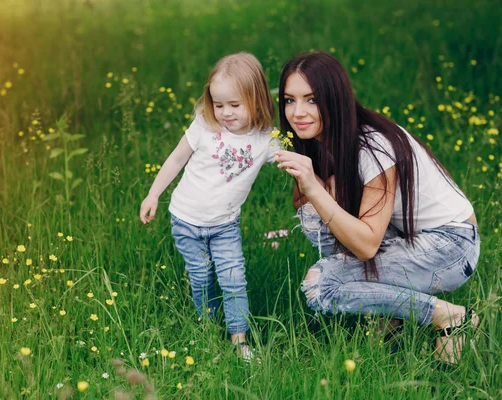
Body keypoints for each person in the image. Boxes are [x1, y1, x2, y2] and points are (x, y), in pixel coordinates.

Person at [274, 51, 480, 364]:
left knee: (323, 284)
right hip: (406, 234)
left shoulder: (374, 146)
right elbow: (324, 226)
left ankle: (450, 317)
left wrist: (316, 189)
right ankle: (393, 319)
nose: (298, 112)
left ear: (335, 99)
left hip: (451, 246)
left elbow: (367, 245)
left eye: (312, 100)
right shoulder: (325, 139)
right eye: (290, 100)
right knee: (312, 213)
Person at [139, 52, 278, 360]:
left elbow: (294, 160)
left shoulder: (265, 140)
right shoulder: (204, 125)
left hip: (225, 226)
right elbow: (177, 158)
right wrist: (153, 194)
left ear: (256, 100)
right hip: (185, 220)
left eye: (235, 105)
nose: (225, 113)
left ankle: (238, 339)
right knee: (200, 276)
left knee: (233, 280)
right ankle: (206, 326)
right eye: (219, 104)